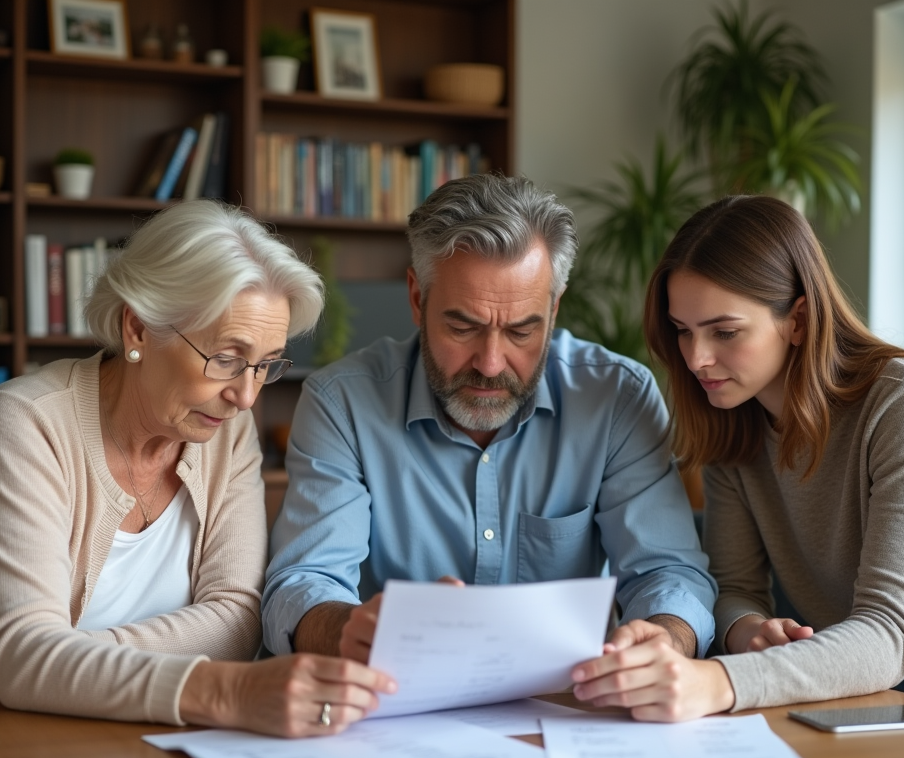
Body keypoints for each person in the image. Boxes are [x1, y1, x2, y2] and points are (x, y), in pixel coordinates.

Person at [0, 201, 395, 738]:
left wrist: (18, 661)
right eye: (225, 357)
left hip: (133, 739)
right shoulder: (25, 425)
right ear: (139, 329)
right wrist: (226, 690)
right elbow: (26, 659)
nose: (245, 395)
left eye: (266, 364)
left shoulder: (224, 432)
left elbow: (239, 619)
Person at [262, 174, 717, 722]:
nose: (491, 363)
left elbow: (669, 572)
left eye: (523, 331)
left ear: (554, 310)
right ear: (416, 298)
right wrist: (345, 629)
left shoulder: (617, 397)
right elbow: (302, 583)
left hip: (568, 715)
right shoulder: (343, 403)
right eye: (463, 326)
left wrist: (664, 640)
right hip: (396, 717)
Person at [629, 194, 904, 732]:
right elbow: (735, 586)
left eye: (724, 332)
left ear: (797, 319)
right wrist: (747, 630)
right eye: (682, 329)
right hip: (869, 683)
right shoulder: (732, 425)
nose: (696, 357)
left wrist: (722, 680)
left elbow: (890, 629)